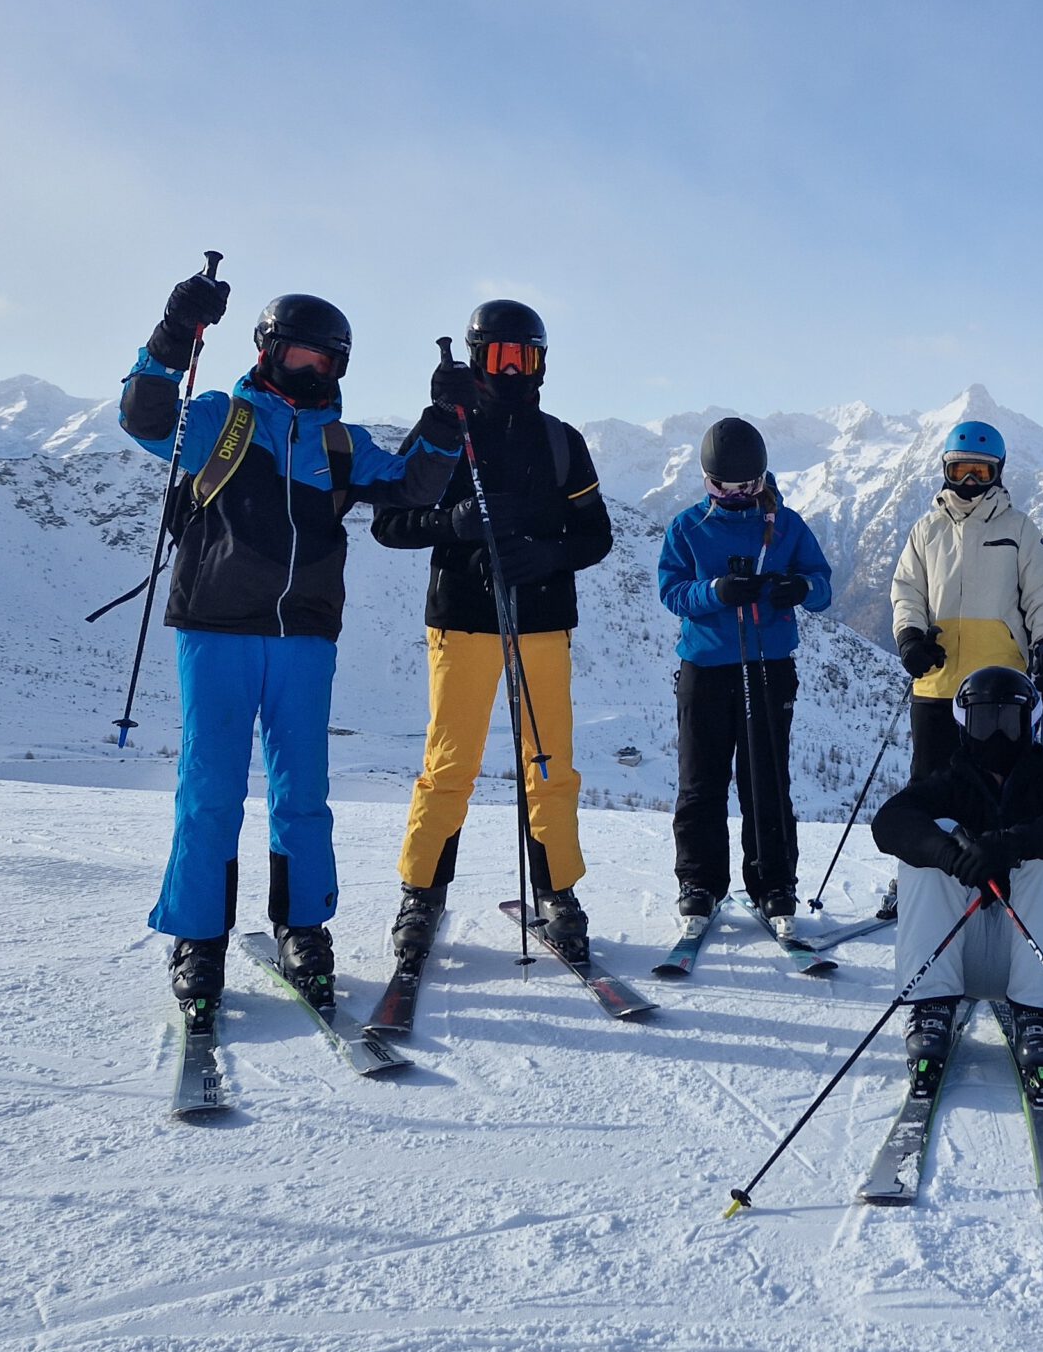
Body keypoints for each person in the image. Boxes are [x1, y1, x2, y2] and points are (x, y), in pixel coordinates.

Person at [118, 273, 473, 1023]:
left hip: (305, 636)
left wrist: (444, 418)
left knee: (303, 794)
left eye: (327, 361)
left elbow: (414, 486)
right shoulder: (222, 421)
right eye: (300, 356)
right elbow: (146, 418)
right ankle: (198, 938)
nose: (313, 372)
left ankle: (302, 928)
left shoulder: (341, 444)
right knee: (209, 791)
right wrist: (176, 330)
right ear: (267, 351)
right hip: (217, 628)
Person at [372, 301, 614, 965]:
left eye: (523, 358)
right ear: (476, 359)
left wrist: (548, 556)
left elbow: (596, 534)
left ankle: (556, 890)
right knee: (449, 766)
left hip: (542, 621)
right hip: (462, 621)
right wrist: (451, 524)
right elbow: (389, 522)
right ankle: (421, 893)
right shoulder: (448, 431)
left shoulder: (562, 441)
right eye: (499, 357)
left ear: (541, 364)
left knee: (551, 765)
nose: (511, 372)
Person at [870, 665, 1043, 1089]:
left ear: (1029, 726)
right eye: (984, 723)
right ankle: (931, 1004)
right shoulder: (947, 785)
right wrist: (947, 854)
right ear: (964, 726)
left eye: (1007, 723)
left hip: (1030, 955)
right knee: (929, 844)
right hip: (955, 955)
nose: (996, 736)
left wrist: (1013, 844)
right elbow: (889, 822)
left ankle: (1037, 1013)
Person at [656, 416, 834, 941]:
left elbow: (823, 586)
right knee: (701, 781)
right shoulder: (687, 528)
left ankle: (773, 882)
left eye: (748, 487)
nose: (736, 497)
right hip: (705, 669)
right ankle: (700, 882)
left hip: (767, 668)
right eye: (724, 488)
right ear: (706, 481)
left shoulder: (786, 525)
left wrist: (800, 588)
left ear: (762, 477)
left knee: (766, 780)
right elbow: (671, 592)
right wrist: (716, 592)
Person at [885, 418, 1043, 918]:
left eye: (980, 472)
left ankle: (1003, 872)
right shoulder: (926, 530)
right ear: (944, 470)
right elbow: (906, 591)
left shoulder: (1019, 529)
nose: (969, 482)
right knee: (929, 783)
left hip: (999, 688)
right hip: (938, 681)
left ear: (998, 473)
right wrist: (910, 638)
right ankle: (920, 876)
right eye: (960, 470)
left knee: (1002, 784)